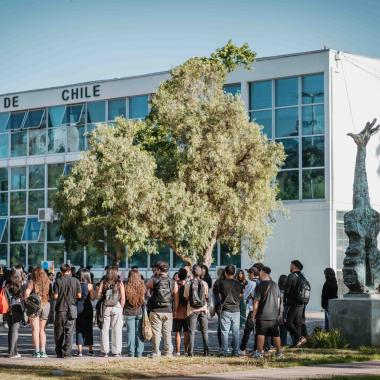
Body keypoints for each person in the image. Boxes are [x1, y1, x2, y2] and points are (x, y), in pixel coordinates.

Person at [146, 261, 178, 358]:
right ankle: (168, 352)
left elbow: (145, 288)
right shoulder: (173, 282)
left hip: (156, 310)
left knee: (156, 332)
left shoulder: (154, 280)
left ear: (158, 269)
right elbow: (176, 297)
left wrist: (149, 295)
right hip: (168, 310)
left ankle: (156, 352)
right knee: (167, 332)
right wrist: (175, 310)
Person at [251, 266, 283, 359]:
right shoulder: (275, 285)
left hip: (262, 315)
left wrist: (254, 315)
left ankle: (259, 353)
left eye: (260, 272)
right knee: (276, 334)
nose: (259, 273)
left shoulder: (260, 285)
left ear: (264, 272)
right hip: (273, 315)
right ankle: (279, 353)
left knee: (260, 334)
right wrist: (277, 313)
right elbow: (278, 301)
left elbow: (256, 302)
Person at [54, 263, 82, 358]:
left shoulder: (58, 281)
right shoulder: (76, 281)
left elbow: (55, 296)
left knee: (59, 331)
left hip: (61, 309)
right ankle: (67, 352)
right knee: (70, 332)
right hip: (72, 309)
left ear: (61, 272)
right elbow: (79, 296)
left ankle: (59, 351)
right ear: (70, 271)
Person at [97, 266, 125, 357]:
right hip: (117, 307)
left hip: (106, 308)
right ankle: (116, 351)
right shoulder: (119, 282)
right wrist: (121, 308)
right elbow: (123, 297)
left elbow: (98, 296)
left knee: (104, 330)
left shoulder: (103, 282)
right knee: (117, 330)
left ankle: (105, 351)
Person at [24, 267, 51, 358]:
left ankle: (37, 351)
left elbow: (27, 293)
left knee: (35, 329)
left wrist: (27, 301)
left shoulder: (32, 282)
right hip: (46, 304)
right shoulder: (48, 282)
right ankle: (43, 351)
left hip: (34, 306)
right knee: (42, 329)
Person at [184, 264, 209, 357]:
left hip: (192, 310)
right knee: (205, 331)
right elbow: (206, 297)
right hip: (203, 309)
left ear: (192, 272)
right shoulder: (205, 283)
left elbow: (186, 297)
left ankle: (190, 352)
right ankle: (206, 352)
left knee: (192, 332)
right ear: (200, 273)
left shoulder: (188, 283)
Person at [218, 264, 242, 357]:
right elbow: (240, 296)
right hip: (236, 310)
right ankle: (235, 351)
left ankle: (224, 351)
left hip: (226, 310)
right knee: (236, 332)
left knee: (225, 331)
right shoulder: (238, 284)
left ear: (225, 273)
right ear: (234, 273)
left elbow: (220, 296)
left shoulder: (222, 283)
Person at [284, 260, 308, 348]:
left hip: (293, 303)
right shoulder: (302, 277)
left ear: (294, 266)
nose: (290, 267)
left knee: (288, 322)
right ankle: (296, 344)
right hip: (302, 303)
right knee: (297, 323)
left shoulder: (291, 276)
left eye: (291, 265)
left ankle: (300, 337)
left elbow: (287, 290)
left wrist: (284, 301)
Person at [124, 268, 145, 357]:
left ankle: (131, 352)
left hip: (129, 312)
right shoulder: (142, 286)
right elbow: (143, 300)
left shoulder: (126, 286)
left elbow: (123, 299)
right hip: (139, 311)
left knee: (130, 332)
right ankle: (139, 352)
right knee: (139, 332)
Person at [4, 266, 24, 358]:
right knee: (15, 329)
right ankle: (13, 353)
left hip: (7, 307)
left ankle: (11, 350)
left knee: (11, 329)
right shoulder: (21, 283)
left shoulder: (6, 282)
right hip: (17, 307)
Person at [240, 266, 260, 354]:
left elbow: (244, 296)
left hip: (253, 310)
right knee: (257, 331)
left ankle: (242, 349)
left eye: (249, 273)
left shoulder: (251, 283)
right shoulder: (260, 282)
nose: (248, 275)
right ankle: (256, 349)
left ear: (252, 274)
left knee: (247, 330)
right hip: (261, 310)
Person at [75, 269, 95, 356]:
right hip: (87, 307)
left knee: (79, 329)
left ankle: (80, 351)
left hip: (78, 306)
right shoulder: (89, 285)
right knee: (89, 328)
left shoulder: (76, 284)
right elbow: (93, 298)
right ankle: (90, 350)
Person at [173, 268, 189, 356]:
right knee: (186, 332)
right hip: (187, 312)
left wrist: (174, 310)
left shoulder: (176, 285)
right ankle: (186, 351)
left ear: (178, 276)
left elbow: (175, 299)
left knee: (177, 332)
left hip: (177, 312)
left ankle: (178, 351)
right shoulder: (188, 285)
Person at [213, 268, 225, 350]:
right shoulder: (226, 282)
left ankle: (221, 345)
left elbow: (215, 295)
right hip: (226, 306)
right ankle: (224, 345)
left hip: (219, 307)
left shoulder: (217, 282)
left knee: (220, 327)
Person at [277, 274, 288, 346]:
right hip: (286, 314)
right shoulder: (289, 292)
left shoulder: (277, 292)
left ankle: (275, 343)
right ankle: (283, 343)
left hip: (277, 313)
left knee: (275, 330)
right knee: (284, 329)